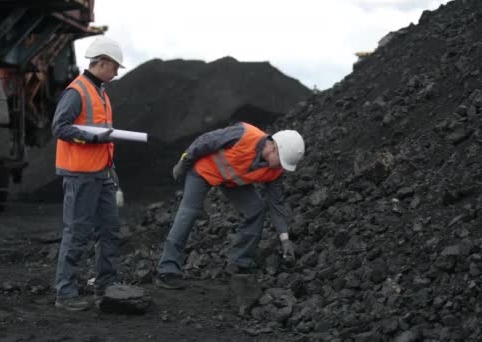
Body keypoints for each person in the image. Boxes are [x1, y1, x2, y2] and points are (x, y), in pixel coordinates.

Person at [155, 121, 305, 289]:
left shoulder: (275, 171)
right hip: (204, 171)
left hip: (232, 182)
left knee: (255, 208)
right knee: (189, 212)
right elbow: (205, 141)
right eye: (281, 162)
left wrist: (285, 240)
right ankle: (167, 270)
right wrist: (184, 161)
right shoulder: (244, 134)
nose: (281, 167)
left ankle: (240, 263)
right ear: (273, 148)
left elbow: (277, 204)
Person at [52, 36, 125, 311]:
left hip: (103, 174)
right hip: (80, 175)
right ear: (102, 63)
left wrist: (110, 168)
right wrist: (90, 139)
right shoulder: (77, 91)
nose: (116, 72)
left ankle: (105, 287)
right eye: (114, 67)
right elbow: (60, 127)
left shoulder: (101, 93)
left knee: (109, 229)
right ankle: (65, 293)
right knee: (77, 233)